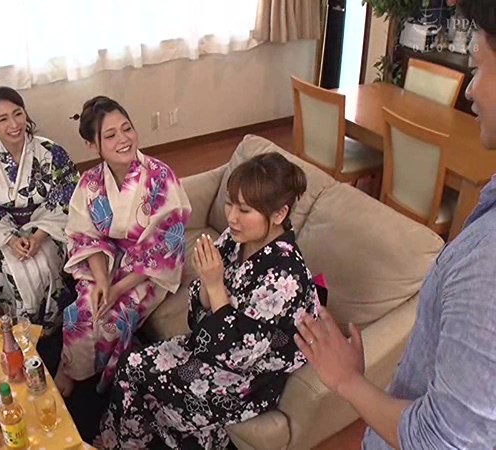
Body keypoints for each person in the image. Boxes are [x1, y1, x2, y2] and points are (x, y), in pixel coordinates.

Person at [294, 1, 496, 448]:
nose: (469, 90)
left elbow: (438, 439)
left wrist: (347, 380)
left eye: (479, 66)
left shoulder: (486, 266)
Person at [96, 153, 319, 449]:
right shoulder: (235, 238)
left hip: (248, 377)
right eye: (230, 204)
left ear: (279, 214)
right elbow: (200, 310)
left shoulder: (285, 277)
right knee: (132, 363)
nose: (232, 217)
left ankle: (137, 440)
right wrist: (207, 283)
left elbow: (238, 354)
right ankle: (120, 441)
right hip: (210, 344)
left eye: (244, 210)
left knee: (153, 384)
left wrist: (215, 285)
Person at [55, 96, 192, 396]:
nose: (123, 139)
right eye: (110, 135)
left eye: (127, 128)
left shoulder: (160, 178)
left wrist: (117, 288)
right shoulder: (90, 182)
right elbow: (85, 236)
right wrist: (102, 281)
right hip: (107, 260)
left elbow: (165, 244)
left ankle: (103, 381)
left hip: (149, 270)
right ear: (92, 145)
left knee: (111, 319)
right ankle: (70, 368)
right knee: (82, 309)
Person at [0, 87, 80, 332]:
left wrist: (38, 237)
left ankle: (51, 328)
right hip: (5, 236)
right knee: (11, 269)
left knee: (44, 263)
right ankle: (19, 331)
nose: (14, 124)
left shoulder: (52, 153)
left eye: (18, 114)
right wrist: (12, 240)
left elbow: (68, 194)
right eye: (3, 119)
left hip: (47, 229)